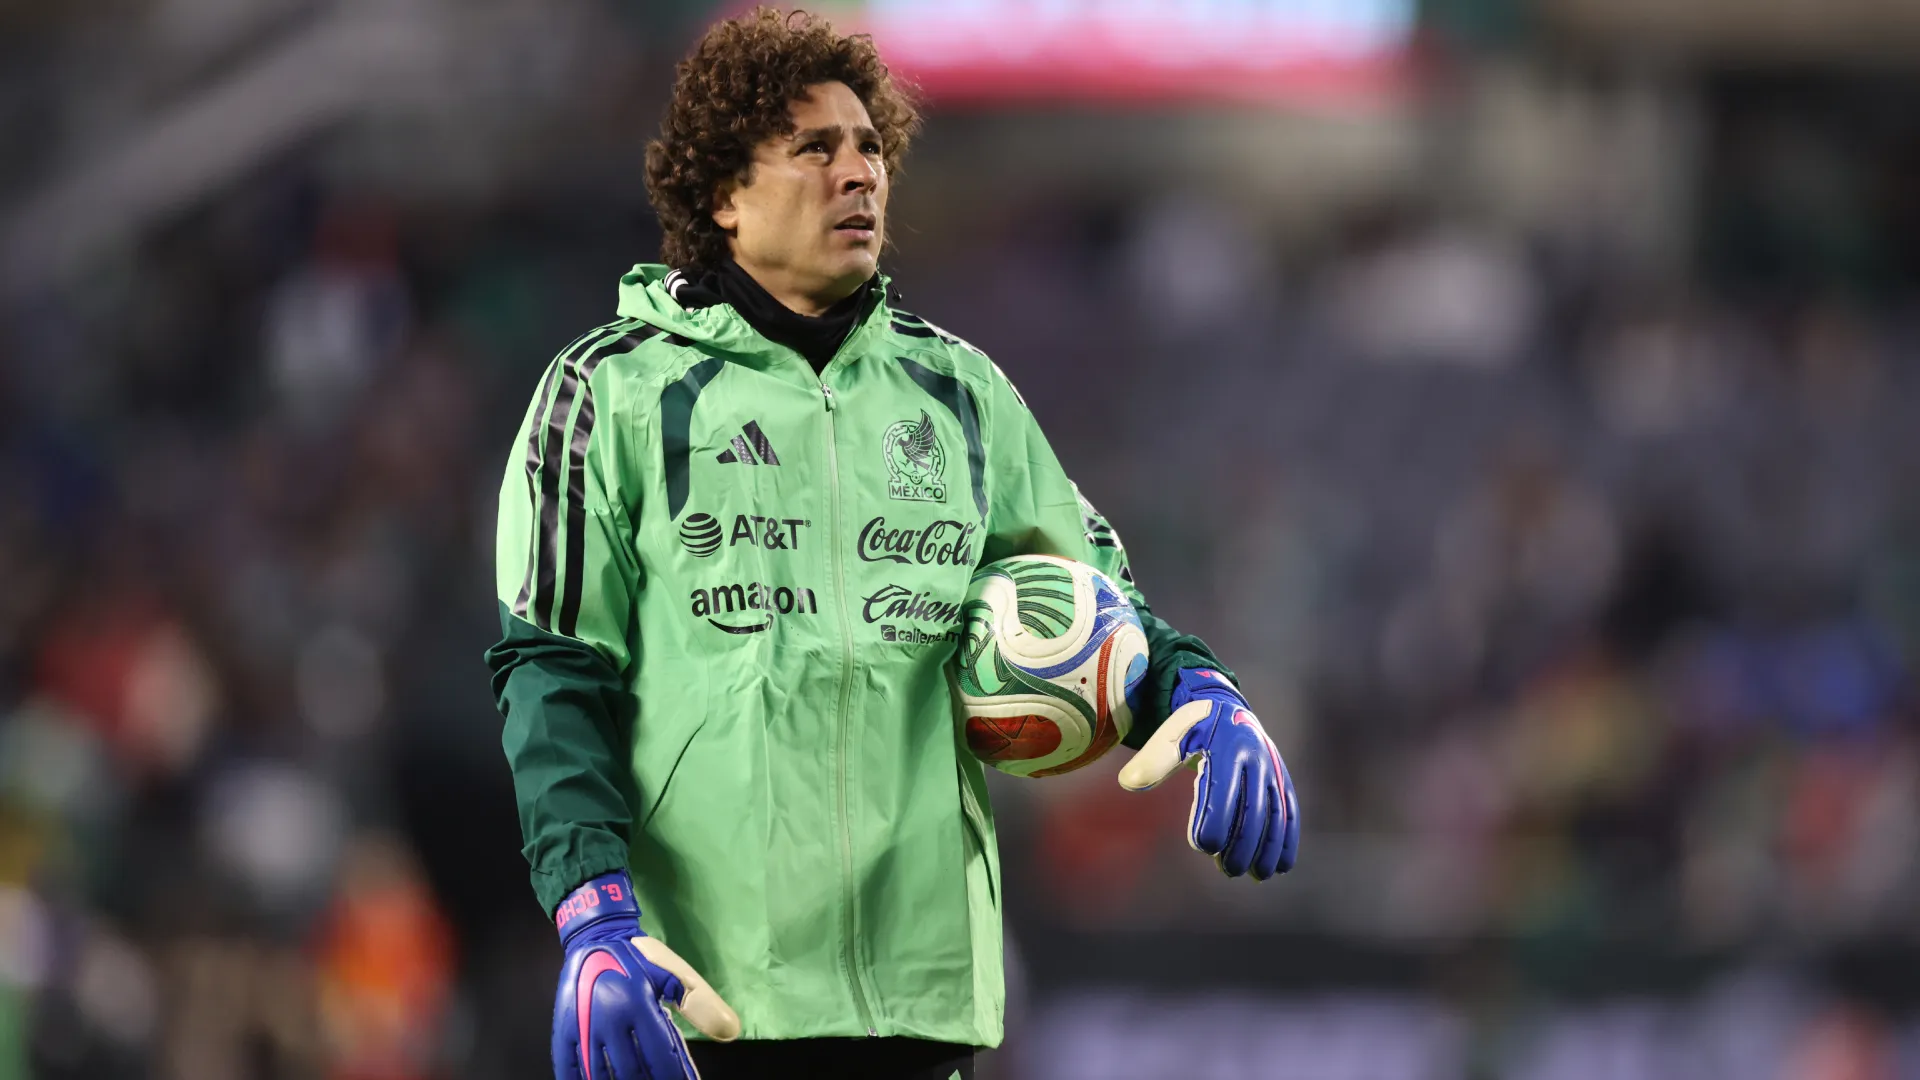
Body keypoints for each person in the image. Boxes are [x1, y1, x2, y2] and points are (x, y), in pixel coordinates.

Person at [485, 8, 1299, 1079]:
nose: (858, 172)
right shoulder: (608, 393)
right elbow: (553, 676)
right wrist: (592, 912)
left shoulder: (963, 395)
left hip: (920, 1013)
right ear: (725, 195)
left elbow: (1095, 604)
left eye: (870, 146)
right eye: (815, 149)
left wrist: (1202, 690)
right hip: (705, 1004)